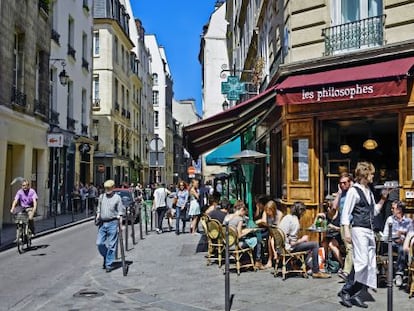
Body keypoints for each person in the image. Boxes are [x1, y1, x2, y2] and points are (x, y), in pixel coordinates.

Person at [338, 161, 388, 308]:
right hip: (359, 230)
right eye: (371, 173)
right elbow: (346, 212)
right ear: (365, 174)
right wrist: (347, 230)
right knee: (362, 262)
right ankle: (346, 291)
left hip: (369, 231)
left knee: (370, 265)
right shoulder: (354, 191)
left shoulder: (368, 191)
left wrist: (384, 198)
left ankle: (355, 293)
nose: (373, 176)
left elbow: (374, 211)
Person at [279, 201, 331, 279]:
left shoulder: (287, 217)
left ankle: (298, 264)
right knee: (315, 244)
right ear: (301, 211)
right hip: (288, 248)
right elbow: (292, 243)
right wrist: (302, 240)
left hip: (280, 247)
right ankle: (316, 271)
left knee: (307, 245)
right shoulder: (295, 222)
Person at [96, 179, 124, 272]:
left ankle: (108, 264)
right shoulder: (101, 197)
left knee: (112, 245)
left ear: (113, 187)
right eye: (106, 188)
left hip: (113, 222)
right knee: (99, 243)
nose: (107, 190)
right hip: (102, 223)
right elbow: (99, 208)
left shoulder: (117, 198)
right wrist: (98, 215)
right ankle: (107, 256)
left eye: (109, 188)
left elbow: (120, 212)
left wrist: (120, 225)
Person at [382, 200, 412, 287]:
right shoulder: (390, 219)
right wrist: (395, 235)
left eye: (393, 208)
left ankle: (402, 272)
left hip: (405, 244)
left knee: (403, 248)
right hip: (392, 243)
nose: (391, 210)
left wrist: (405, 235)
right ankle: (399, 273)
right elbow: (384, 236)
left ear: (399, 210)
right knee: (401, 248)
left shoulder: (408, 221)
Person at [332, 172, 353, 280]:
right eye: (341, 183)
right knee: (348, 248)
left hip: (351, 224)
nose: (342, 185)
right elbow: (334, 206)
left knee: (350, 248)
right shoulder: (342, 193)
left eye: (345, 183)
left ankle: (346, 272)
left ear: (350, 182)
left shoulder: (353, 193)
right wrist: (339, 193)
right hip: (343, 225)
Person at [256, 200, 284, 269]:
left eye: (269, 211)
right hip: (267, 229)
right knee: (258, 236)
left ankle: (270, 259)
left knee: (270, 237)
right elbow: (264, 221)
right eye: (267, 211)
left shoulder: (279, 214)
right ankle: (258, 259)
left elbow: (278, 227)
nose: (268, 212)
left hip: (276, 232)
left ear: (273, 209)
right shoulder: (266, 211)